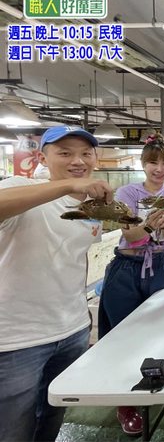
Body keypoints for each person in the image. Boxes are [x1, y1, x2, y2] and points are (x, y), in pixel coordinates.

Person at [0, 125, 113, 442]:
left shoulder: (89, 206)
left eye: (86, 153)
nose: (78, 160)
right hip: (18, 340)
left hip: (72, 330)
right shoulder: (20, 186)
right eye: (65, 153)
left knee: (51, 417)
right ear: (42, 158)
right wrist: (67, 185)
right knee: (13, 429)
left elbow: (76, 259)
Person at [97, 133, 164, 435]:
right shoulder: (127, 193)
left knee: (158, 333)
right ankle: (124, 403)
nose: (159, 169)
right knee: (122, 336)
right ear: (143, 164)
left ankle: (152, 384)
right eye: (153, 162)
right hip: (127, 269)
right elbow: (131, 236)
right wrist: (149, 224)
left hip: (159, 267)